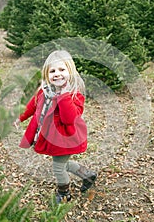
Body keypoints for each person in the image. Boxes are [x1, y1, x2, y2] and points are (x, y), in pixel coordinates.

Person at [14, 50, 97, 203]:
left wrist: (63, 96)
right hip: (51, 137)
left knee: (58, 167)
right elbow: (32, 106)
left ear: (70, 72)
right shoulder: (44, 91)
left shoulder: (74, 95)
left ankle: (64, 193)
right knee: (61, 162)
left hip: (66, 138)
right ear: (47, 75)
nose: (57, 74)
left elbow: (69, 119)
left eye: (62, 70)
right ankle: (87, 174)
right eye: (52, 71)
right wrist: (19, 117)